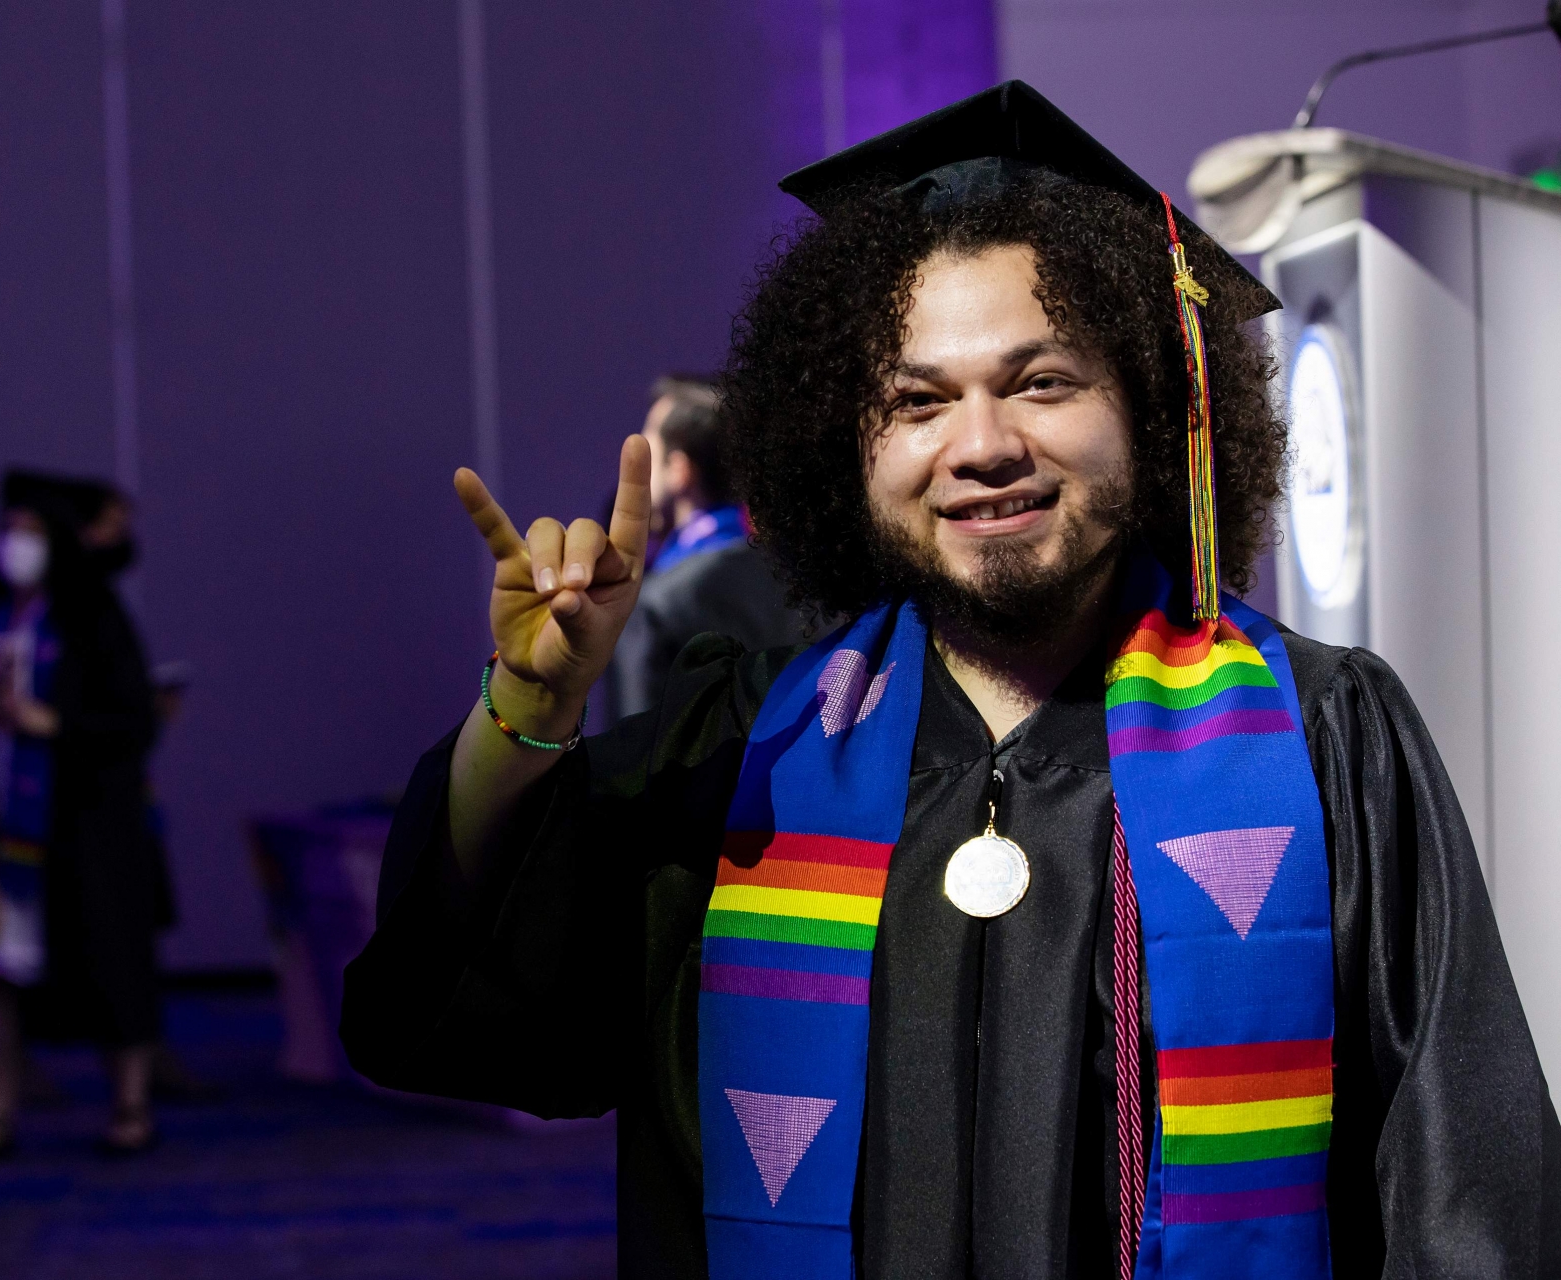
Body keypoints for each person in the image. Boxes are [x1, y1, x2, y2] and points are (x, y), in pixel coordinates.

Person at [342, 81, 1561, 1278]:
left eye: (1041, 381)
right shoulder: (745, 752)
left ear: (1151, 404)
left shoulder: (1323, 741)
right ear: (849, 444)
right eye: (916, 400)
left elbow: (1465, 1191)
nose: (980, 445)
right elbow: (465, 1008)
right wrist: (531, 711)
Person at [0, 472, 162, 1159]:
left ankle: (130, 1107)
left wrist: (51, 722)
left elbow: (133, 720)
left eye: (32, 532)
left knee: (111, 965)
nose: (16, 544)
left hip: (82, 828)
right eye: (8, 530)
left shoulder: (92, 613)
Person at [612, 376, 806, 718]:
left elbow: (633, 754)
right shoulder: (803, 580)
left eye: (648, 450)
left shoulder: (655, 604)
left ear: (679, 469)